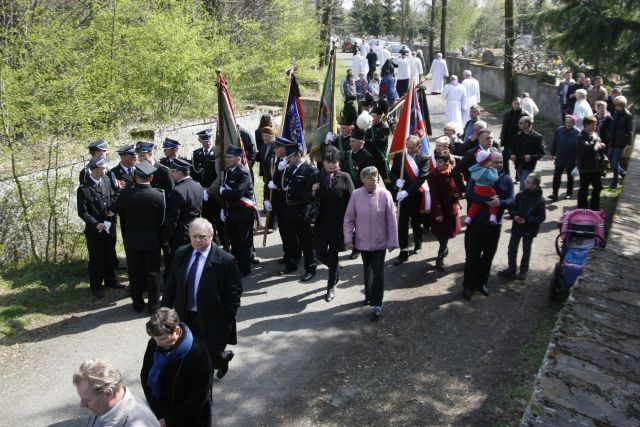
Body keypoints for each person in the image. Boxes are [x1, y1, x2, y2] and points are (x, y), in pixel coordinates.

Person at [162, 218, 243, 379]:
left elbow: (234, 292)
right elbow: (171, 284)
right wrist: (164, 311)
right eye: (194, 237)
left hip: (212, 318)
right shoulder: (181, 254)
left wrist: (227, 315)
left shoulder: (225, 260)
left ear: (211, 236)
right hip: (185, 315)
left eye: (202, 236)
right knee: (188, 351)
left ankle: (220, 359)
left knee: (209, 353)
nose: (197, 240)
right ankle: (199, 380)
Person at [109, 160, 165, 313]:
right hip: (152, 240)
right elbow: (162, 219)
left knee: (134, 272)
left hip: (132, 239)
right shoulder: (158, 196)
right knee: (153, 273)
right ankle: (154, 306)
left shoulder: (126, 194)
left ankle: (137, 303)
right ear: (151, 178)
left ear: (135, 177)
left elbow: (113, 210)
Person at [141, 308, 213, 427]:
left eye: (163, 339)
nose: (158, 344)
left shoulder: (198, 353)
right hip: (162, 413)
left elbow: (199, 395)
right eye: (155, 339)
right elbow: (145, 376)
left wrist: (172, 420)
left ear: (177, 330)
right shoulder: (154, 344)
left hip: (191, 418)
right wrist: (159, 413)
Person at [343, 166, 398, 319]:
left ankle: (378, 304)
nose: (374, 179)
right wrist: (348, 239)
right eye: (370, 177)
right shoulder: (356, 195)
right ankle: (369, 295)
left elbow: (392, 221)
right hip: (363, 242)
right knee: (368, 269)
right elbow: (349, 219)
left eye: (375, 176)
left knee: (379, 272)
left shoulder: (385, 195)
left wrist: (393, 240)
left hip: (380, 242)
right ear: (363, 180)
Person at [462, 149, 515, 299]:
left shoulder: (507, 179)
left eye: (500, 162)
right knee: (472, 255)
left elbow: (512, 199)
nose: (498, 165)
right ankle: (468, 285)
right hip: (477, 223)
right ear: (489, 161)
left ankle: (482, 283)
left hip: (494, 225)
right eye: (495, 162)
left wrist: (500, 203)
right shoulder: (477, 173)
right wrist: (487, 202)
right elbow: (470, 194)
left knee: (488, 256)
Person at [312, 146, 355, 302]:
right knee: (319, 254)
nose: (331, 165)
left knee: (333, 255)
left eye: (334, 162)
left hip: (339, 225)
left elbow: (352, 201)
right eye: (328, 162)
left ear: (339, 162)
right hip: (321, 223)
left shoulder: (345, 177)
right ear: (322, 162)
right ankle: (335, 270)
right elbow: (308, 200)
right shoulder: (316, 177)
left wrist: (352, 224)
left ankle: (330, 286)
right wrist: (312, 192)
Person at [76, 158, 122, 298]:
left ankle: (110, 280)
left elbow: (114, 197)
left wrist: (113, 209)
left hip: (109, 225)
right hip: (95, 229)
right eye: (104, 168)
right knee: (96, 258)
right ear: (96, 169)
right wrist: (95, 224)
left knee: (109, 253)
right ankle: (96, 286)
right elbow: (82, 212)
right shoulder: (84, 189)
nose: (106, 170)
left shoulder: (107, 181)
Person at [273, 142, 319, 282]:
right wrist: (279, 170)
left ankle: (310, 268)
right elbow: (278, 183)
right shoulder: (288, 168)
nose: (288, 159)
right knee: (290, 240)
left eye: (291, 156)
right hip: (287, 210)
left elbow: (310, 195)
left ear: (299, 155)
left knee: (306, 242)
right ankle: (292, 263)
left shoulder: (311, 171)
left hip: (301, 212)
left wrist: (299, 203)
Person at [73, 359, 159, 427]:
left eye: (87, 400)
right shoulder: (106, 405)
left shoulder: (135, 424)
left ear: (108, 393)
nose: (82, 405)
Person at [390, 135, 430, 265]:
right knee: (402, 224)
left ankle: (418, 243)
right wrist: (396, 180)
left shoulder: (424, 158)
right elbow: (392, 173)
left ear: (419, 146)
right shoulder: (400, 156)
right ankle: (403, 250)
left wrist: (407, 191)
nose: (410, 150)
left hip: (415, 196)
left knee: (416, 223)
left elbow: (421, 177)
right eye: (408, 147)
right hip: (401, 197)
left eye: (413, 148)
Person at [498, 173, 546, 281]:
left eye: (528, 182)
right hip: (517, 227)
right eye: (526, 181)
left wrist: (528, 220)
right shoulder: (520, 195)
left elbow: (541, 217)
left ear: (535, 185)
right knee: (512, 248)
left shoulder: (540, 200)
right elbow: (512, 207)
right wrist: (514, 215)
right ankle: (511, 269)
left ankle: (523, 271)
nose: (525, 182)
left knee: (526, 250)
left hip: (529, 229)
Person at [162, 158, 203, 277]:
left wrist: (165, 237)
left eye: (173, 171)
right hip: (195, 230)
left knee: (179, 266)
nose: (171, 174)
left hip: (180, 235)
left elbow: (173, 219)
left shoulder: (178, 191)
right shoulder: (197, 186)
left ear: (180, 173)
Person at [219, 145, 256, 278]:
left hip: (243, 213)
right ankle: (236, 264)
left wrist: (223, 192)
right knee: (234, 240)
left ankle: (245, 268)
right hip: (232, 212)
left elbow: (237, 193)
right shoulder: (229, 171)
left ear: (238, 158)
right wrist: (224, 208)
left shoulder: (243, 172)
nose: (227, 159)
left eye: (230, 157)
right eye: (227, 156)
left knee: (244, 242)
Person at [427, 152, 461, 271]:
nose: (438, 164)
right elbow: (434, 195)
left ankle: (440, 256)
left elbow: (460, 183)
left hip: (451, 207)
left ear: (447, 162)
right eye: (437, 161)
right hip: (439, 208)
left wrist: (458, 192)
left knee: (447, 233)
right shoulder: (432, 175)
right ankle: (443, 250)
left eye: (441, 161)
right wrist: (438, 212)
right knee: (441, 234)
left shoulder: (454, 171)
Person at [192, 129, 225, 246]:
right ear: (200, 141)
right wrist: (201, 189)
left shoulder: (218, 153)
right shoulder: (196, 154)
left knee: (220, 219)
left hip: (216, 192)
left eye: (209, 140)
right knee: (207, 220)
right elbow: (195, 174)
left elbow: (220, 174)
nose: (208, 143)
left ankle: (225, 242)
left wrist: (211, 189)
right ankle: (212, 243)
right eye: (205, 141)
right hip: (203, 193)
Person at [452, 128, 499, 194]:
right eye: (487, 138)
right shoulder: (471, 153)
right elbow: (455, 171)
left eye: (492, 138)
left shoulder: (494, 151)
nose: (490, 140)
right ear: (479, 140)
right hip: (475, 192)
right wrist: (464, 189)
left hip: (493, 191)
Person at [576, 115, 605, 210]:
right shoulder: (580, 137)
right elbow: (589, 148)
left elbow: (598, 150)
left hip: (595, 167)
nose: (595, 126)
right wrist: (598, 143)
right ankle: (582, 208)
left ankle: (594, 208)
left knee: (598, 187)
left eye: (596, 124)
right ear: (585, 125)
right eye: (592, 124)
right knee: (584, 189)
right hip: (585, 168)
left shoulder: (595, 135)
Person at [549, 115, 580, 201]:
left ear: (574, 123)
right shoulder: (559, 130)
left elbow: (579, 148)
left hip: (571, 158)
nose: (568, 124)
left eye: (570, 123)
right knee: (556, 177)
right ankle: (554, 193)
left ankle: (569, 194)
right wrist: (552, 153)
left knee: (570, 178)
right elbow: (554, 142)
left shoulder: (577, 133)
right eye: (567, 122)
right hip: (560, 157)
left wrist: (578, 159)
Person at [511, 115, 545, 191]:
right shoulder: (518, 135)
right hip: (518, 164)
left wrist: (531, 157)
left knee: (524, 184)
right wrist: (512, 154)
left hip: (529, 165)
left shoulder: (537, 137)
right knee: (524, 184)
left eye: (520, 123)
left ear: (527, 124)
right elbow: (512, 148)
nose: (518, 124)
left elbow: (541, 153)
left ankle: (522, 200)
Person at [465, 150, 499, 225]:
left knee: (475, 205)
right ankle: (493, 216)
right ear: (485, 162)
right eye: (490, 161)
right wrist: (494, 171)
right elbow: (494, 178)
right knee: (494, 199)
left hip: (477, 189)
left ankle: (468, 218)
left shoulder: (476, 169)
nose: (491, 163)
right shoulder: (487, 171)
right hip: (487, 189)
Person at [499, 97, 529, 177]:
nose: (516, 105)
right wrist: (502, 137)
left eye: (518, 104)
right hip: (508, 140)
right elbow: (504, 126)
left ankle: (518, 176)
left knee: (517, 159)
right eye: (515, 103)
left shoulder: (525, 115)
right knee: (505, 157)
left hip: (519, 141)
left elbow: (528, 129)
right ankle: (506, 174)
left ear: (521, 104)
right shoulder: (508, 113)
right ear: (512, 104)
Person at [608, 96, 633, 189]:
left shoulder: (627, 115)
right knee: (610, 159)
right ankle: (623, 173)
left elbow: (629, 131)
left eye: (616, 105)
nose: (615, 107)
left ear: (621, 105)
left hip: (620, 141)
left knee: (615, 162)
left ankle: (614, 183)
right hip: (613, 140)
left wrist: (628, 144)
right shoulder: (616, 113)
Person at [364, 105, 391, 187]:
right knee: (372, 179)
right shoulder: (368, 127)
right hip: (370, 159)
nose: (372, 118)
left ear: (380, 116)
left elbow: (380, 142)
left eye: (374, 116)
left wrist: (368, 141)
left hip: (381, 158)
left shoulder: (384, 128)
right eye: (371, 116)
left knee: (387, 179)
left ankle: (393, 193)